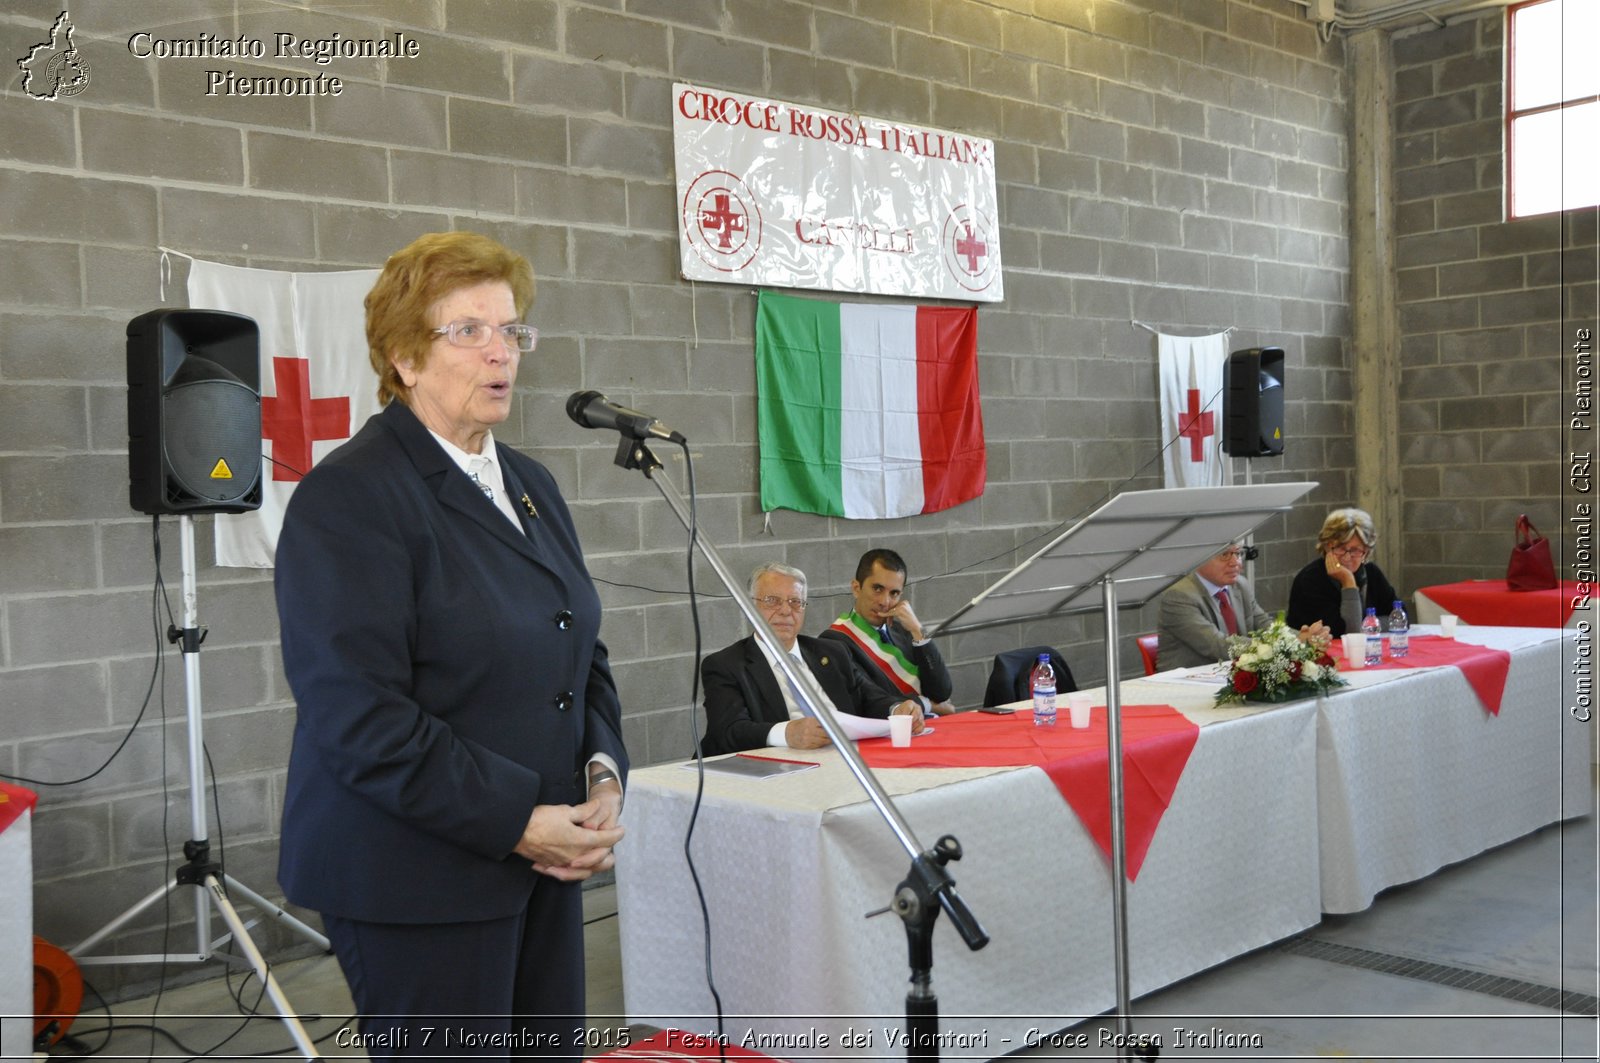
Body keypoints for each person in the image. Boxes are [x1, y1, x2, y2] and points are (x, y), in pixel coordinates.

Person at [273, 231, 627, 1059]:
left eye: (511, 330)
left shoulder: (531, 483)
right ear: (404, 358)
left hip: (546, 855)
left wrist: (602, 772)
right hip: (417, 878)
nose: (500, 351)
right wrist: (519, 821)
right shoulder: (351, 497)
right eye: (469, 331)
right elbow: (357, 714)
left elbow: (580, 646)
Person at [701, 562, 925, 756]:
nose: (786, 611)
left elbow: (871, 699)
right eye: (772, 601)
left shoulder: (832, 652)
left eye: (795, 602)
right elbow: (728, 731)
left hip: (844, 760)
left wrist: (898, 710)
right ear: (750, 606)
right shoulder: (726, 665)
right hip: (776, 772)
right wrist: (787, 733)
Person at [819, 549, 958, 715]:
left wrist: (917, 630)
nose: (885, 602)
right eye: (878, 589)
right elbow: (871, 700)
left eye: (894, 593)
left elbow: (942, 692)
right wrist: (928, 705)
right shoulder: (834, 641)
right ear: (856, 588)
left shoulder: (903, 630)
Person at [1286, 507, 1402, 638]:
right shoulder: (1310, 580)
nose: (1347, 557)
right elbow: (1347, 632)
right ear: (1327, 546)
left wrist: (1365, 626)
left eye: (1355, 550)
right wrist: (1348, 582)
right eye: (1341, 548)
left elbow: (1400, 618)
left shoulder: (1371, 572)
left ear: (1366, 552)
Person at [1157, 543, 1273, 670]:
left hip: (1232, 675)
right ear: (1200, 558)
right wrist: (1274, 647)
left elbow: (1264, 624)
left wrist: (1295, 639)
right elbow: (1219, 646)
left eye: (1238, 553)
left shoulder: (1240, 585)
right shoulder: (1179, 595)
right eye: (1224, 555)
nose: (1235, 562)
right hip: (1189, 683)